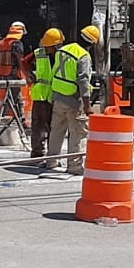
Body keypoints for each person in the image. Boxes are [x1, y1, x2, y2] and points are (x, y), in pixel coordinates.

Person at [46, 25, 99, 175]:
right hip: (73, 100)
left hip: (57, 96)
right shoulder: (83, 56)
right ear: (92, 43)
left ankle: (51, 161)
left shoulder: (63, 50)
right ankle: (74, 166)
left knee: (56, 130)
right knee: (77, 133)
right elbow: (83, 81)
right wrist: (87, 106)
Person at [30, 28, 62, 159]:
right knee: (39, 125)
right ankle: (37, 152)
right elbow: (26, 63)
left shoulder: (62, 55)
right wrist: (30, 75)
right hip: (42, 95)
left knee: (53, 126)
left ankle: (51, 153)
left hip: (56, 95)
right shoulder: (38, 54)